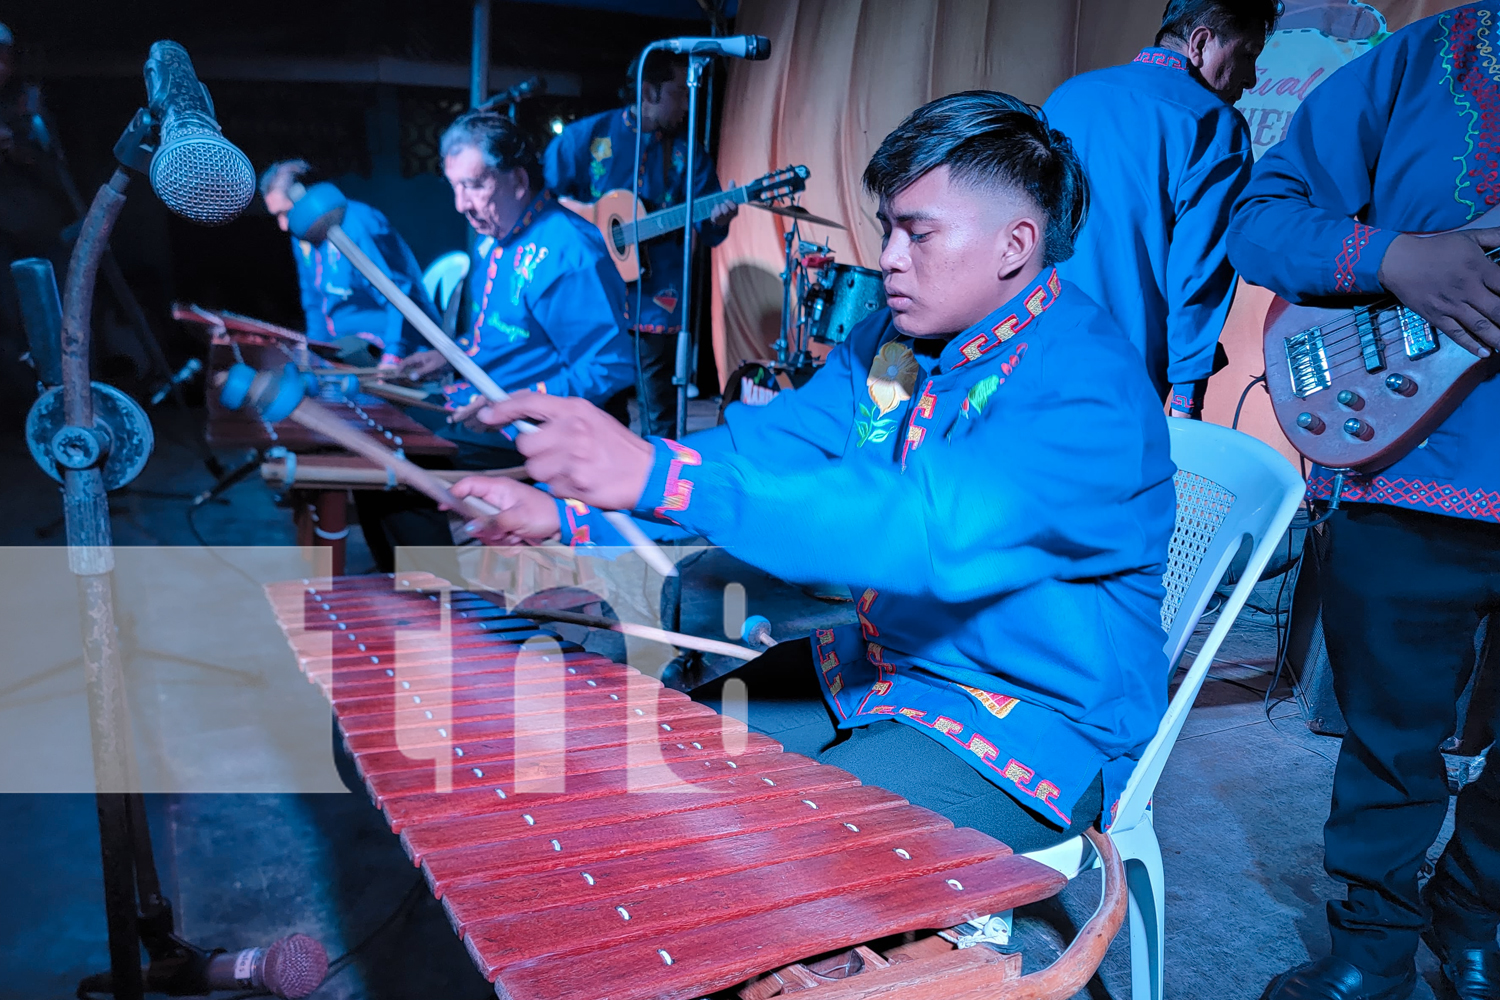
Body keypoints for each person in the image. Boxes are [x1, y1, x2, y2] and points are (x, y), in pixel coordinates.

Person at [448, 92, 1177, 853]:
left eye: (918, 233)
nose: (890, 256)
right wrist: (569, 512)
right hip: (882, 671)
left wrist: (660, 478)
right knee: (651, 765)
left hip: (1022, 723)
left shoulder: (1088, 386)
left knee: (750, 850)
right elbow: (770, 446)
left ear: (1014, 244)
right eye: (888, 227)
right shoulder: (889, 344)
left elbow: (921, 527)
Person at [1228, 6, 1500, 998]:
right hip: (1410, 468)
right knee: (1391, 740)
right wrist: (1399, 261)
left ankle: (1475, 919)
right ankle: (1372, 946)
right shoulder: (1429, 58)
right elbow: (1259, 220)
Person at [359, 111, 632, 573]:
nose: (460, 204)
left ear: (518, 180)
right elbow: (505, 341)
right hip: (482, 405)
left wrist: (510, 404)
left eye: (474, 186)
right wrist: (447, 356)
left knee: (395, 472)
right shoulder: (500, 239)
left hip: (533, 430)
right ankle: (417, 592)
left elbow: (607, 368)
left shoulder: (569, 250)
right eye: (455, 187)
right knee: (368, 439)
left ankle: (440, 600)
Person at [1042, 0, 1279, 417]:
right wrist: (1188, 396)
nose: (1252, 78)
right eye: (1247, 55)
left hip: (1019, 351)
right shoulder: (1214, 125)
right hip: (1117, 379)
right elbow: (1200, 273)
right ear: (1201, 43)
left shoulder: (1067, 96)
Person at [543, 51, 738, 438]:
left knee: (659, 412)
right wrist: (588, 235)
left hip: (657, 295)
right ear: (647, 91)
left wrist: (719, 218)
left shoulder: (688, 152)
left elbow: (711, 226)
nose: (687, 104)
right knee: (596, 406)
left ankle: (657, 488)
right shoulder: (587, 137)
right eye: (679, 94)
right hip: (595, 294)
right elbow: (545, 207)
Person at [259, 160, 438, 365]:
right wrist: (316, 354)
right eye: (277, 216)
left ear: (308, 197)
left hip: (388, 346)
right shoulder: (303, 235)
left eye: (286, 212)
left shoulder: (360, 225)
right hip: (342, 346)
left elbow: (399, 295)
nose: (283, 225)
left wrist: (393, 356)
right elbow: (313, 302)